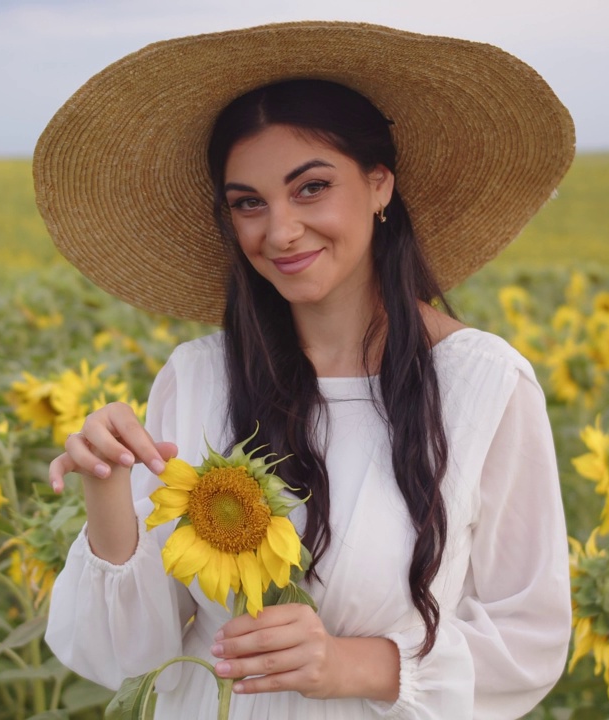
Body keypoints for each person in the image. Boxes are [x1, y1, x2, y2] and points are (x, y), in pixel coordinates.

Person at [35, 21, 575, 719]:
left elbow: (530, 639)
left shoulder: (482, 385)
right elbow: (126, 657)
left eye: (311, 188)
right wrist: (108, 492)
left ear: (380, 185)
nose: (279, 231)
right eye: (248, 203)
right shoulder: (199, 378)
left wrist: (349, 663)